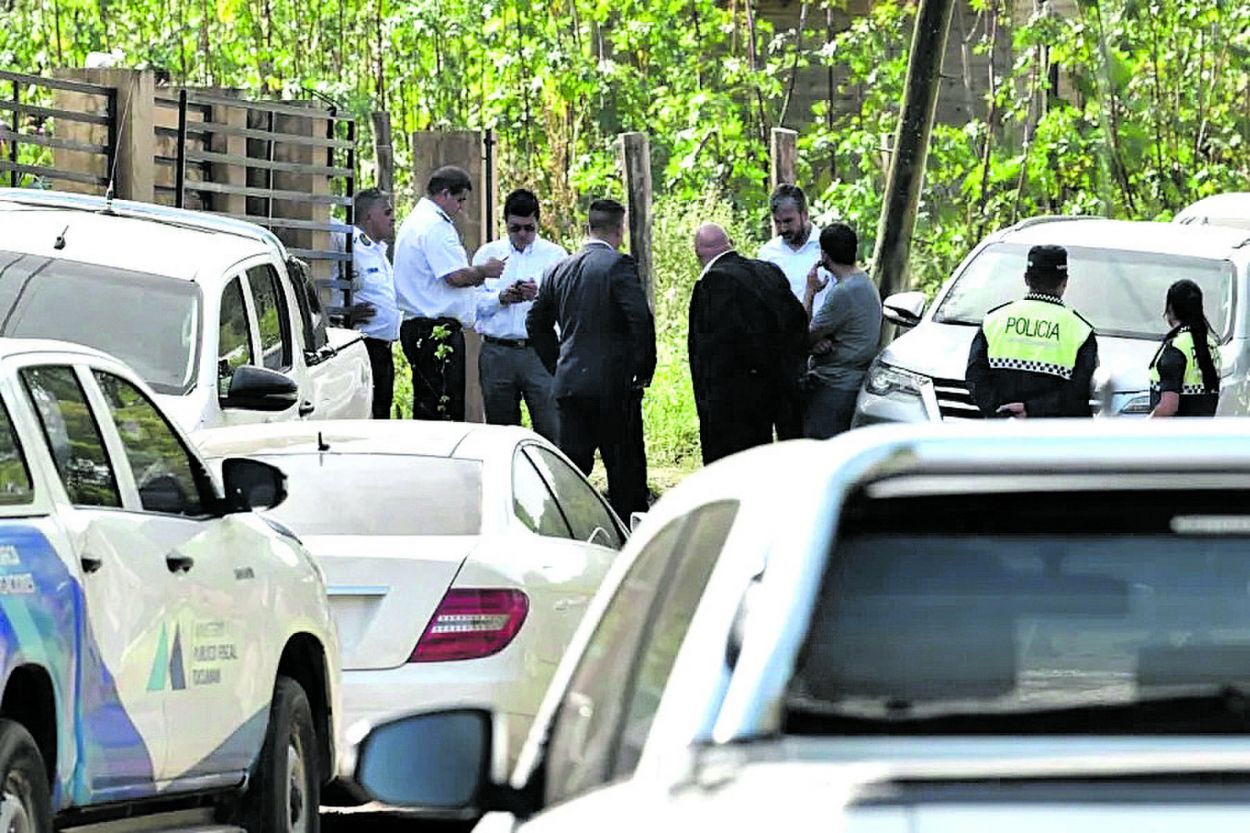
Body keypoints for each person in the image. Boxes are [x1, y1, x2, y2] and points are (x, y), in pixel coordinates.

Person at [527, 199, 656, 520]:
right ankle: (628, 539)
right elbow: (640, 319)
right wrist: (642, 370)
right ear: (619, 230)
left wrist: (558, 365)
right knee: (625, 475)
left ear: (588, 228)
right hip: (614, 387)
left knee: (570, 473)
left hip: (570, 384)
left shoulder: (558, 269)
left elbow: (535, 323)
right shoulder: (618, 266)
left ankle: (559, 529)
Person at [688, 223, 808, 464]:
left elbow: (707, 355)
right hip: (777, 391)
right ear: (729, 243)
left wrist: (707, 407)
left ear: (697, 252)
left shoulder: (713, 283)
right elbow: (797, 321)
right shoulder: (768, 271)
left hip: (734, 402)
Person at [393, 165, 505, 421]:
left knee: (431, 404)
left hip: (422, 326)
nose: (461, 208)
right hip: (435, 331)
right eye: (460, 200)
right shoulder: (434, 225)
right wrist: (484, 271)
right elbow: (454, 276)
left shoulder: (418, 220)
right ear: (444, 194)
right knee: (443, 411)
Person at [472, 189, 566, 440]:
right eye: (516, 228)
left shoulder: (555, 256)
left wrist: (540, 295)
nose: (523, 234)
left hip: (539, 351)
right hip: (497, 351)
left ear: (538, 224)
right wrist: (501, 298)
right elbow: (472, 306)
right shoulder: (487, 255)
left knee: (551, 426)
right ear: (505, 224)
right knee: (500, 431)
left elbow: (567, 306)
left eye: (529, 228)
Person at [966, 244, 1099, 419]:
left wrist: (1001, 413)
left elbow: (975, 377)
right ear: (1065, 282)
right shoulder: (1080, 331)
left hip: (999, 437)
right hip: (1051, 439)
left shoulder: (993, 321)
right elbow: (1079, 393)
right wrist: (1032, 409)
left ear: (1026, 279)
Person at [801, 223, 883, 438]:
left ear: (824, 256)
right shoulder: (864, 282)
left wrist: (810, 291)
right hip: (851, 384)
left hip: (834, 387)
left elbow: (802, 337)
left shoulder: (844, 293)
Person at [344, 187, 400, 419]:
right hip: (365, 347)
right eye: (386, 213)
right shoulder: (350, 246)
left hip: (384, 348)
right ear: (369, 217)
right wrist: (343, 314)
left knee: (381, 412)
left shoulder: (377, 251)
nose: (393, 217)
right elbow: (335, 284)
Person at [1149, 279, 1221, 417]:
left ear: (1170, 309)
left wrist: (1143, 429)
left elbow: (1168, 406)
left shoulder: (1176, 347)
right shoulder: (1211, 345)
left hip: (1174, 436)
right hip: (1201, 434)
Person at [758, 183, 833, 312]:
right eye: (777, 221)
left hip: (825, 329)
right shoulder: (767, 254)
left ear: (805, 215)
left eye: (788, 221)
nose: (783, 228)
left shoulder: (828, 246)